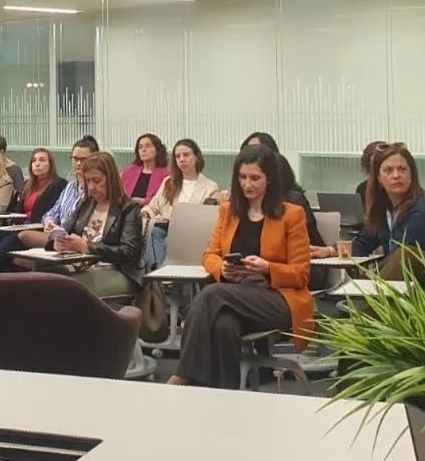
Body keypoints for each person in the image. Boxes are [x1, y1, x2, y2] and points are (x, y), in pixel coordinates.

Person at [168, 144, 311, 390]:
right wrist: (222, 268)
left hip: (277, 299)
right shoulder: (229, 211)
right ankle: (227, 396)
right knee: (224, 325)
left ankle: (183, 375)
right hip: (234, 295)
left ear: (269, 179)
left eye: (255, 178)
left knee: (211, 294)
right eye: (242, 177)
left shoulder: (292, 215)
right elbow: (209, 255)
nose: (247, 184)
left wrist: (267, 268)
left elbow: (301, 274)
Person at [48, 152, 144, 298]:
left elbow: (129, 251)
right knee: (44, 277)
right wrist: (57, 243)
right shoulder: (85, 204)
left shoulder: (128, 208)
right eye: (87, 181)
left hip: (117, 271)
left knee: (69, 285)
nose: (91, 187)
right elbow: (64, 231)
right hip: (82, 266)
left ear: (110, 180)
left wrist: (89, 247)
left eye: (97, 181)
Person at [0, 135, 98, 267]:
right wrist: (49, 221)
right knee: (1, 243)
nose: (78, 163)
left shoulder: (87, 188)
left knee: (16, 241)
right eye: (75, 159)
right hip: (55, 233)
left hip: (73, 237)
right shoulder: (70, 186)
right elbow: (52, 212)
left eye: (83, 159)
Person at [352, 143, 425, 271]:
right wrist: (335, 251)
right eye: (388, 170)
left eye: (402, 169)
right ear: (378, 177)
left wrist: (372, 275)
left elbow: (402, 258)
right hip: (398, 276)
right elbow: (365, 241)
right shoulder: (382, 207)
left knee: (403, 255)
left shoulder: (423, 210)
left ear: (411, 174)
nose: (396, 175)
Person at [142, 139, 219, 268]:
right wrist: (145, 214)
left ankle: (162, 273)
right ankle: (160, 271)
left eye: (186, 155)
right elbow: (152, 206)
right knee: (154, 232)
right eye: (178, 156)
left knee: (166, 240)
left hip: (190, 234)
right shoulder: (168, 182)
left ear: (196, 157)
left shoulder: (210, 187)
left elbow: (205, 220)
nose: (182, 159)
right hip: (163, 229)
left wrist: (175, 221)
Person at [7, 148, 68, 224]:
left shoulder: (59, 184)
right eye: (34, 160)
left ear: (50, 164)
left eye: (42, 160)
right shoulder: (27, 184)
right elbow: (18, 212)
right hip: (21, 226)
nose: (37, 164)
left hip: (42, 226)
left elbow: (52, 212)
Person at [122, 133, 169, 204]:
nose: (143, 150)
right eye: (140, 147)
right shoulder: (128, 172)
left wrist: (144, 202)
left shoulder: (166, 174)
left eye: (148, 146)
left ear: (157, 150)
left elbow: (165, 200)